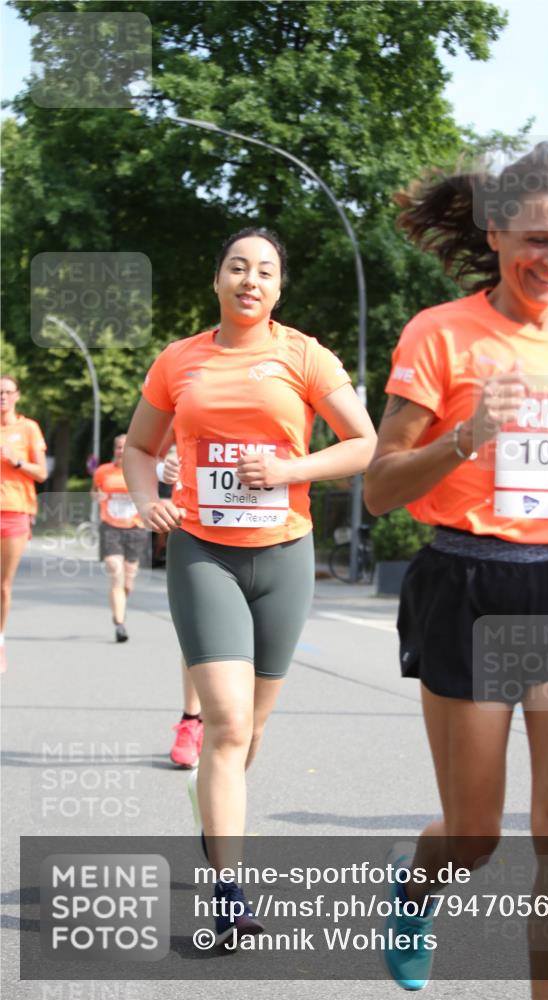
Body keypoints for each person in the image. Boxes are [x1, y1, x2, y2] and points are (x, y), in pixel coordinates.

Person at [363, 143, 548, 995]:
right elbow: (382, 488)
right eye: (536, 240)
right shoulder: (440, 335)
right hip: (466, 582)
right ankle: (415, 889)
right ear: (495, 231)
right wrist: (463, 435)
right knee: (473, 835)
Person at [123, 227, 376, 942]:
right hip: (204, 551)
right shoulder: (180, 361)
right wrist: (148, 501)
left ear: (277, 287)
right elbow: (142, 447)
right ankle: (227, 892)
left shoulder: (303, 355)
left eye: (264, 270)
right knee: (227, 723)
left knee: (251, 730)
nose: (250, 280)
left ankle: (216, 814)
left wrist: (290, 472)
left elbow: (364, 444)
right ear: (217, 280)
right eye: (237, 267)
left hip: (284, 557)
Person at [158, 445, 204, 768]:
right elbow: (146, 451)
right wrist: (164, 470)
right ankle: (191, 720)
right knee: (199, 634)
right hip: (196, 532)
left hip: (271, 533)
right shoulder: (179, 393)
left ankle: (232, 724)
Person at [0, 374, 48, 672]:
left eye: (6, 392)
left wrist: (16, 460)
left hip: (15, 512)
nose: (2, 397)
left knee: (3, 585)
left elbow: (41, 473)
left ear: (17, 395)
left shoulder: (28, 428)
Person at [92, 434, 150, 643]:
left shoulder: (140, 471)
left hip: (135, 529)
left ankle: (120, 606)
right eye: (118, 447)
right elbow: (95, 491)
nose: (120, 451)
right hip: (110, 528)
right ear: (114, 450)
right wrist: (97, 497)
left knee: (128, 582)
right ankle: (119, 623)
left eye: (125, 447)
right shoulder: (103, 472)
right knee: (115, 572)